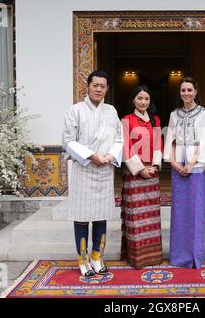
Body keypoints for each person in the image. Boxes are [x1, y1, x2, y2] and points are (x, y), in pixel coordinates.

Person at [62, 70, 123, 277]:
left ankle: (97, 256)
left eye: (102, 86)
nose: (98, 89)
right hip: (84, 169)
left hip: (105, 169)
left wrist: (109, 156)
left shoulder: (111, 111)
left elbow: (119, 140)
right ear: (87, 87)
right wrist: (91, 156)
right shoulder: (76, 110)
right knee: (81, 216)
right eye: (95, 85)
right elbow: (69, 141)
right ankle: (83, 259)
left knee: (100, 216)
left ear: (107, 89)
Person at [163, 77, 205, 269]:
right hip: (178, 169)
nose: (186, 93)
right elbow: (171, 141)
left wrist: (191, 164)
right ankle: (178, 257)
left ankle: (194, 256)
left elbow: (204, 139)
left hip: (196, 168)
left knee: (195, 211)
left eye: (189, 90)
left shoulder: (204, 114)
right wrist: (175, 164)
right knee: (179, 212)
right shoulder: (174, 115)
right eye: (183, 90)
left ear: (196, 91)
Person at [120, 85, 163, 269]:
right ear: (133, 101)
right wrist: (139, 169)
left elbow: (158, 144)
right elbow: (126, 146)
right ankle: (137, 258)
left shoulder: (155, 120)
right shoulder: (126, 120)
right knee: (136, 217)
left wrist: (154, 165)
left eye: (146, 98)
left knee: (151, 217)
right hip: (134, 174)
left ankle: (153, 256)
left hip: (152, 174)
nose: (143, 102)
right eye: (139, 98)